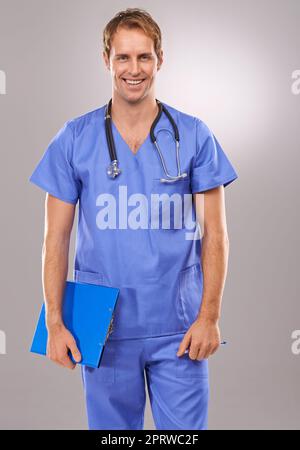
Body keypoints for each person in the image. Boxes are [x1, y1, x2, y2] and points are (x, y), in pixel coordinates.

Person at [29, 7, 238, 430]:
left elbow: (215, 234)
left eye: (144, 57)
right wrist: (54, 322)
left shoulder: (194, 135)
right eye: (123, 57)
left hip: (179, 328)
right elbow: (56, 238)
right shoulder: (74, 138)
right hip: (103, 328)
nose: (134, 69)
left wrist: (209, 317)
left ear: (161, 59)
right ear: (106, 60)